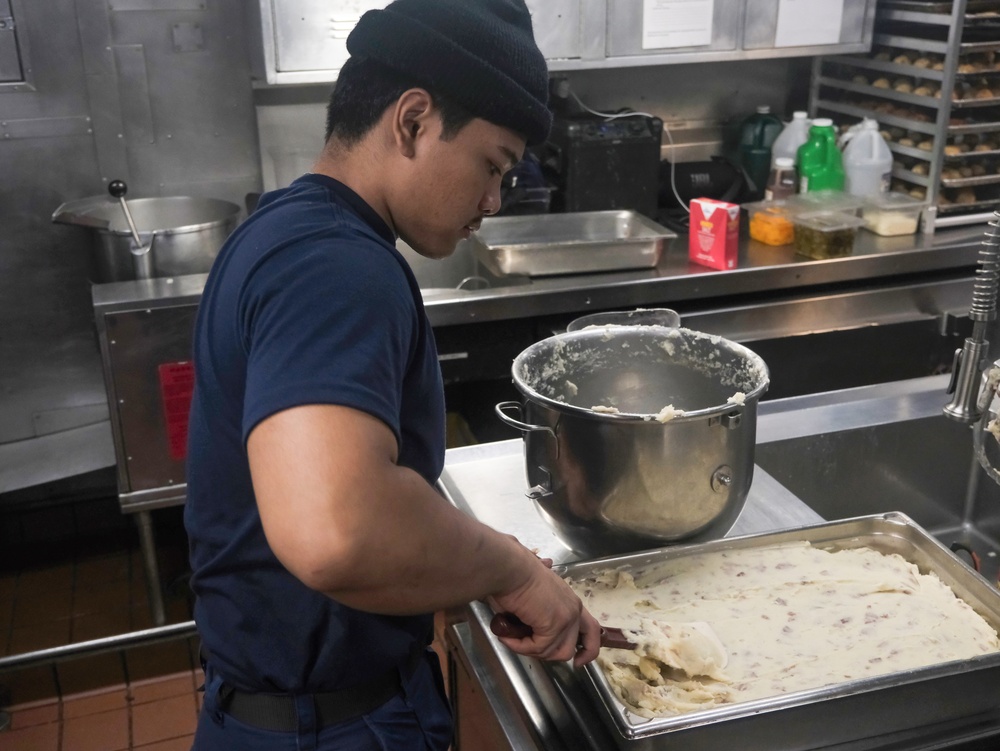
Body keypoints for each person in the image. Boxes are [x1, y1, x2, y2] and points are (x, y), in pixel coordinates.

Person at [183, 0, 602, 748]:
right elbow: (336, 529)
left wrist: (463, 560)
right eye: (492, 165)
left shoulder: (285, 229)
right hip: (333, 728)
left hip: (268, 708)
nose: (492, 202)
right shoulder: (336, 266)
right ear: (411, 120)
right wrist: (512, 568)